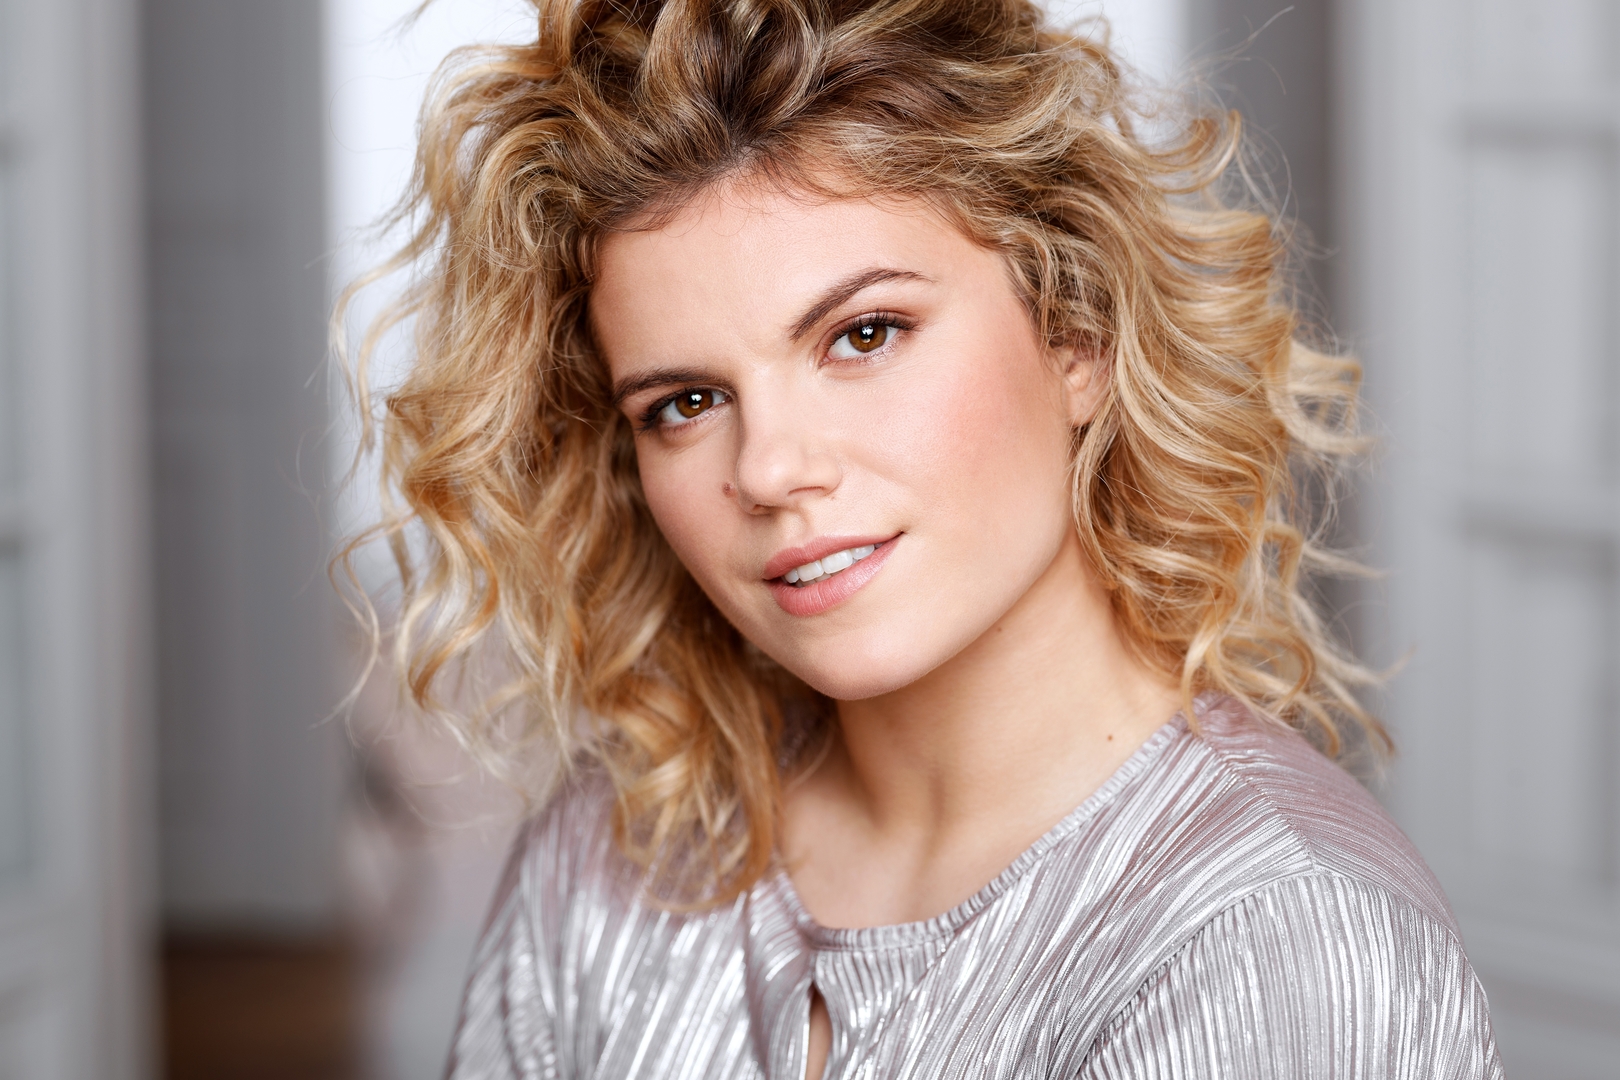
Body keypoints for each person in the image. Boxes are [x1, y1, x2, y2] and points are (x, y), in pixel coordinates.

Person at [340, 0, 1502, 1076]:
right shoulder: (616, 849)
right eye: (684, 403)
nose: (769, 469)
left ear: (1078, 333)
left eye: (865, 334)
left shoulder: (1276, 940)